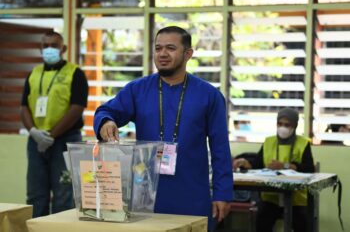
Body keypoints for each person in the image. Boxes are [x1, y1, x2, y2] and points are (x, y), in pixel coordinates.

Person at [93, 26, 233, 229]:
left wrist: (223, 193)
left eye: (170, 48)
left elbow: (220, 149)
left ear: (188, 54)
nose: (162, 54)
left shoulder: (209, 96)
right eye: (158, 48)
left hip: (192, 195)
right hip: (145, 197)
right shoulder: (137, 89)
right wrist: (107, 121)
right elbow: (106, 111)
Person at [20, 31, 89, 217]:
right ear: (40, 48)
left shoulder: (75, 73)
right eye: (45, 45)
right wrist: (34, 132)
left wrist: (52, 135)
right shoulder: (33, 74)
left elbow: (77, 108)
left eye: (54, 45)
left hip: (65, 140)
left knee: (64, 195)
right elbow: (24, 107)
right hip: (36, 141)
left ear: (63, 48)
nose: (49, 49)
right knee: (35, 195)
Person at [233, 108, 315, 232]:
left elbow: (309, 168)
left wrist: (285, 165)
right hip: (271, 197)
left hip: (296, 199)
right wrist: (245, 163)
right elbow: (258, 165)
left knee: (302, 223)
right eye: (280, 124)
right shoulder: (269, 141)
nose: (283, 127)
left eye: (287, 125)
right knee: (262, 220)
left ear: (295, 126)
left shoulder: (303, 144)